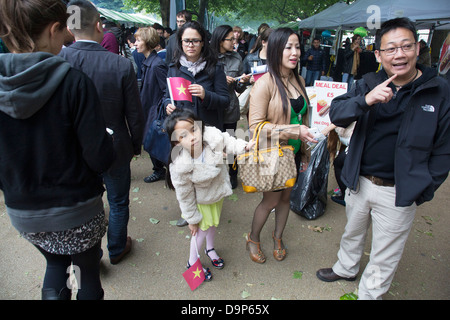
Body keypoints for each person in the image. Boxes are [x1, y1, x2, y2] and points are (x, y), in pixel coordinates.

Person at [316, 17, 450, 300]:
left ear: (417, 49)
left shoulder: (439, 90)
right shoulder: (369, 82)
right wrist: (366, 100)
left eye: (406, 46)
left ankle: (369, 294)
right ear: (378, 54)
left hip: (399, 190)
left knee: (385, 251)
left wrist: (424, 187)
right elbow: (337, 113)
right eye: (390, 49)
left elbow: (444, 148)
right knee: (352, 232)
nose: (398, 55)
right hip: (359, 180)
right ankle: (346, 267)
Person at [0, 0, 115, 300]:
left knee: (54, 262)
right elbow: (99, 156)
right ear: (54, 29)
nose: (67, 39)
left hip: (24, 213)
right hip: (76, 210)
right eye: (65, 30)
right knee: (87, 270)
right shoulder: (74, 84)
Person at [60, 0, 145, 266]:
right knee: (118, 201)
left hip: (74, 147)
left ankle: (90, 255)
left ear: (69, 29)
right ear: (98, 25)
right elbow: (134, 114)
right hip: (114, 145)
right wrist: (135, 145)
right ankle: (117, 248)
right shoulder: (119, 65)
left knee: (87, 202)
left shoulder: (59, 60)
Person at [246, 28, 317, 264]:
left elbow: (304, 119)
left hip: (294, 153)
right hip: (272, 154)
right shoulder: (264, 84)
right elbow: (256, 127)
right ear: (276, 50)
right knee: (271, 201)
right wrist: (294, 131)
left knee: (286, 199)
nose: (295, 52)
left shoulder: (300, 79)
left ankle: (278, 238)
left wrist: (304, 153)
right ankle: (253, 238)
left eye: (297, 46)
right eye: (288, 47)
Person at [164, 109, 255, 279]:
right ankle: (192, 262)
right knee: (200, 231)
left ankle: (210, 248)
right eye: (183, 135)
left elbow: (228, 140)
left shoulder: (211, 135)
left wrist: (244, 146)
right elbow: (184, 195)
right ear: (176, 142)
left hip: (216, 194)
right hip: (201, 201)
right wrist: (191, 218)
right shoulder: (180, 164)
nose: (192, 136)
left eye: (193, 129)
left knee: (213, 224)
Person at [164, 21, 229, 130]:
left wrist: (206, 95)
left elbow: (225, 101)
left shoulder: (215, 67)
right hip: (183, 129)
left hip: (208, 129)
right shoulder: (174, 68)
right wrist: (167, 105)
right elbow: (166, 96)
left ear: (203, 42)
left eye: (195, 41)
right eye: (186, 41)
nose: (190, 45)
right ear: (181, 42)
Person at [210, 25, 251, 188]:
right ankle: (213, 174)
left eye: (235, 39)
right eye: (230, 39)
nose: (234, 42)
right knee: (212, 142)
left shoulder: (236, 58)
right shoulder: (208, 58)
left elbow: (239, 89)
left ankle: (232, 174)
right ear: (220, 40)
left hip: (229, 107)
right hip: (212, 109)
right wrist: (220, 79)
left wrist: (242, 82)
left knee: (230, 141)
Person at [134, 27, 169, 183]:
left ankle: (162, 170)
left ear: (147, 42)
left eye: (138, 40)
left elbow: (165, 91)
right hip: (148, 109)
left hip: (155, 111)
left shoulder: (156, 64)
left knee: (153, 141)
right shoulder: (148, 62)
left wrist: (159, 109)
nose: (135, 43)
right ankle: (159, 169)